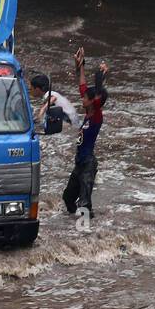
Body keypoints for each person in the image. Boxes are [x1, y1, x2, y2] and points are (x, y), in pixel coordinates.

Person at [62, 47, 109, 218]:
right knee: (68, 198)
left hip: (88, 164)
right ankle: (74, 225)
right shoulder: (89, 111)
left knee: (84, 203)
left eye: (84, 98)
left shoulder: (96, 116)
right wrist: (81, 65)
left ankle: (88, 233)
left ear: (92, 101)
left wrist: (101, 77)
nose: (82, 98)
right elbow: (82, 86)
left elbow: (98, 95)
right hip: (79, 164)